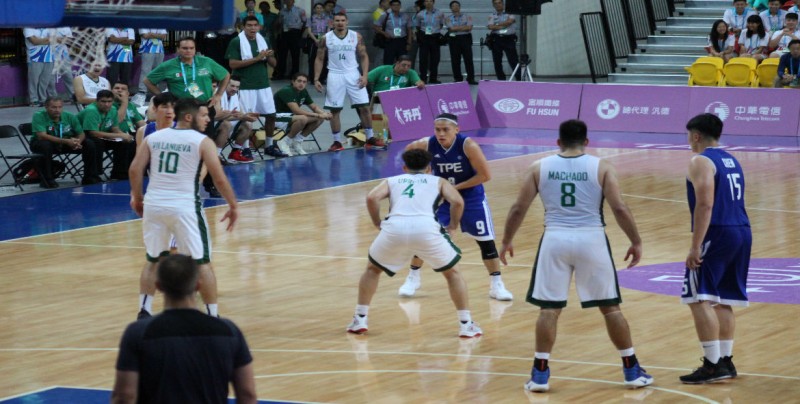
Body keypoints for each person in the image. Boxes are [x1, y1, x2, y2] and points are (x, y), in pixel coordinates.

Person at [499, 119, 654, 392]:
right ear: (587, 141)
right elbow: (619, 208)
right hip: (591, 238)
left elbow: (517, 208)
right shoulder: (602, 166)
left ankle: (539, 375)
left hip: (554, 238)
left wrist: (507, 240)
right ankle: (631, 369)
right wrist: (636, 241)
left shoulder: (539, 167)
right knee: (610, 307)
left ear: (557, 142)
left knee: (549, 309)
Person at [345, 148, 483, 338]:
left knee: (372, 270)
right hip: (426, 228)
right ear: (429, 168)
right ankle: (466, 324)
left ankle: (360, 319)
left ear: (404, 167)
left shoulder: (392, 181)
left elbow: (371, 197)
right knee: (452, 274)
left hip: (394, 228)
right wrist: (453, 225)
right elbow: (458, 202)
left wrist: (377, 222)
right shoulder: (438, 181)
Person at [129, 97, 238, 320]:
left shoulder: (153, 137)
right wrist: (233, 205)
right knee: (202, 262)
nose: (207, 120)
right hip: (184, 206)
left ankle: (145, 310)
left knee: (153, 259)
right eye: (203, 116)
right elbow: (219, 179)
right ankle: (212, 315)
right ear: (189, 117)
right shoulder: (201, 141)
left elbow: (134, 169)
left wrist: (137, 198)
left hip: (154, 204)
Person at [111, 254, 257, 404]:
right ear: (198, 286)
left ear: (159, 286)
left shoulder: (137, 333)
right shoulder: (229, 332)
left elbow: (125, 395)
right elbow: (247, 394)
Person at [402, 113, 513, 301]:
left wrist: (453, 188)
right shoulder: (426, 144)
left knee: (485, 241)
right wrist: (422, 175)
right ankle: (413, 277)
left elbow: (485, 176)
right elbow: (409, 153)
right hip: (444, 200)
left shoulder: (468, 146)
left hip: (471, 198)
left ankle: (496, 285)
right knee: (425, 236)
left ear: (456, 129)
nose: (441, 133)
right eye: (438, 129)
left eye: (445, 129)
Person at [678, 113, 751, 384]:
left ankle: (711, 364)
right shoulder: (732, 159)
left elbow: (705, 204)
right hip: (741, 230)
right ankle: (726, 361)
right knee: (723, 300)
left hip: (717, 232)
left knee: (699, 298)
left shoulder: (700, 160)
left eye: (688, 135)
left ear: (696, 135)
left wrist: (695, 246)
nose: (687, 140)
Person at [144, 36, 231, 195]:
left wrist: (218, 95)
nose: (188, 51)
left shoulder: (206, 62)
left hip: (204, 108)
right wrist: (164, 97)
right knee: (184, 146)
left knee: (207, 147)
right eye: (184, 48)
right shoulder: (169, 66)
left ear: (195, 49)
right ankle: (181, 184)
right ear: (178, 50)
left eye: (191, 48)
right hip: (182, 110)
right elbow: (148, 80)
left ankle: (210, 185)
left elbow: (225, 75)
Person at [314, 12, 386, 151]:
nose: (340, 23)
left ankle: (370, 138)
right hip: (334, 75)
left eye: (342, 20)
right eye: (337, 20)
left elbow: (364, 56)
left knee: (364, 107)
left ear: (347, 22)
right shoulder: (326, 38)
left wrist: (365, 76)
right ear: (332, 22)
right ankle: (337, 142)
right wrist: (316, 78)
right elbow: (319, 58)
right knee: (334, 111)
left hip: (353, 74)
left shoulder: (356, 36)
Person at [226, 16, 284, 158]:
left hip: (263, 84)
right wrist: (257, 59)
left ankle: (269, 145)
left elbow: (274, 64)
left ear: (259, 27)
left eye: (255, 25)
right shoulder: (236, 41)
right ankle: (244, 148)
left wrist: (268, 56)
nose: (252, 28)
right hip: (245, 85)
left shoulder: (264, 40)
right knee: (246, 118)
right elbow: (232, 64)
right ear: (243, 27)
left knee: (271, 115)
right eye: (249, 25)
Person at [30, 96, 102, 187]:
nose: (57, 110)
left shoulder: (69, 116)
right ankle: (47, 179)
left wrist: (77, 142)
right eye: (54, 107)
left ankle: (90, 176)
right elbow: (42, 136)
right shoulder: (39, 116)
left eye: (60, 107)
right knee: (45, 145)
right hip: (43, 142)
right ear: (46, 107)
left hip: (66, 142)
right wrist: (67, 141)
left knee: (89, 143)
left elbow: (81, 133)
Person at [78, 89, 136, 181]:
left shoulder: (112, 109)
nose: (106, 104)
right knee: (96, 142)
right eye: (103, 101)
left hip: (103, 137)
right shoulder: (91, 111)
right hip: (84, 137)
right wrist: (120, 136)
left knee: (129, 142)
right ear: (97, 101)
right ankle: (93, 175)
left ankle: (120, 173)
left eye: (109, 102)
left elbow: (114, 128)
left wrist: (124, 135)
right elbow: (93, 133)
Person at [273, 72, 331, 156]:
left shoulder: (303, 91)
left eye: (304, 82)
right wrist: (318, 114)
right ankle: (284, 142)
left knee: (320, 119)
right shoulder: (287, 91)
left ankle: (297, 142)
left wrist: (324, 114)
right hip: (276, 118)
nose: (301, 84)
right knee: (303, 118)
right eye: (299, 81)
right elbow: (296, 110)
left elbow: (314, 107)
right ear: (293, 81)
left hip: (291, 118)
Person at [215, 76, 258, 163]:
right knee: (226, 124)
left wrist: (248, 116)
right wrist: (241, 117)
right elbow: (218, 116)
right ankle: (216, 155)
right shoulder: (217, 94)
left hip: (227, 122)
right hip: (213, 123)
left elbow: (239, 114)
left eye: (237, 87)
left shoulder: (235, 95)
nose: (235, 89)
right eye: (232, 86)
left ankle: (235, 153)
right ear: (225, 85)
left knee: (247, 124)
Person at [134, 28, 168, 106]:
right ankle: (142, 91)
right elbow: (145, 35)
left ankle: (155, 91)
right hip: (147, 49)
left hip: (159, 50)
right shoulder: (144, 23)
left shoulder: (160, 23)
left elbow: (163, 36)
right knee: (145, 70)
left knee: (158, 72)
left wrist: (152, 34)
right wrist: (158, 35)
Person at [374, 0, 414, 66]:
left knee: (402, 61)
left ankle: (401, 75)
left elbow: (409, 29)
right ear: (390, 6)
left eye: (398, 5)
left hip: (402, 41)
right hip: (390, 41)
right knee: (388, 61)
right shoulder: (384, 15)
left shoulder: (405, 16)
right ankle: (388, 76)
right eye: (394, 5)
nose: (396, 6)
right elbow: (375, 27)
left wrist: (409, 43)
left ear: (400, 6)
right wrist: (384, 33)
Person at [446, 1, 477, 84]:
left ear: (459, 7)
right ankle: (458, 79)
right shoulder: (448, 18)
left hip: (465, 39)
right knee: (455, 60)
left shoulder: (467, 16)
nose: (455, 7)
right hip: (454, 39)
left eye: (457, 5)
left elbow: (469, 27)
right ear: (451, 8)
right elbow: (451, 29)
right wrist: (463, 27)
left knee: (468, 59)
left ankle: (470, 78)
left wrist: (456, 28)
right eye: (453, 6)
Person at [487, 0, 520, 80]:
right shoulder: (491, 15)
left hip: (509, 39)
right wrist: (504, 25)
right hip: (496, 39)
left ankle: (519, 79)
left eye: (499, 3)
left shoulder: (510, 13)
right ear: (493, 5)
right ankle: (501, 80)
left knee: (513, 61)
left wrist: (497, 25)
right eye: (495, 3)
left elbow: (509, 22)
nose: (498, 5)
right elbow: (490, 27)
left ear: (503, 4)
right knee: (497, 61)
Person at [415, 0, 445, 83]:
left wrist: (434, 31)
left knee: (435, 59)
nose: (428, 3)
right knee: (423, 58)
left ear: (433, 2)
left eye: (430, 1)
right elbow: (417, 26)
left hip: (435, 37)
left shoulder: (440, 13)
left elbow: (441, 24)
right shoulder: (420, 14)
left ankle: (433, 78)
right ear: (424, 3)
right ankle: (423, 78)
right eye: (426, 1)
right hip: (424, 37)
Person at [276, 0, 308, 80]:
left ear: (293, 1)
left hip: (295, 33)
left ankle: (295, 74)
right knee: (282, 55)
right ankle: (281, 73)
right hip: (285, 34)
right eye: (286, 0)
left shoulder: (300, 10)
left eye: (290, 0)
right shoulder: (282, 11)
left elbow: (305, 22)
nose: (288, 1)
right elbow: (279, 23)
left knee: (295, 55)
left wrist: (300, 33)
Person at [24, 27, 55, 107]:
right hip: (34, 57)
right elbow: (34, 41)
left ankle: (43, 99)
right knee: (33, 80)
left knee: (45, 81)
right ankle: (33, 100)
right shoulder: (28, 27)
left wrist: (42, 40)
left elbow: (56, 39)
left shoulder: (50, 26)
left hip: (49, 56)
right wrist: (48, 40)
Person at [306, 2, 333, 86]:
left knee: (324, 58)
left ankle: (322, 78)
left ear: (323, 9)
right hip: (313, 39)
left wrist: (324, 39)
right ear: (314, 9)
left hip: (324, 38)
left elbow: (329, 29)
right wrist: (315, 40)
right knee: (312, 58)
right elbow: (309, 31)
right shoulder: (310, 18)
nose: (319, 9)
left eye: (320, 8)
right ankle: (312, 78)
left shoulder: (328, 18)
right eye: (317, 8)